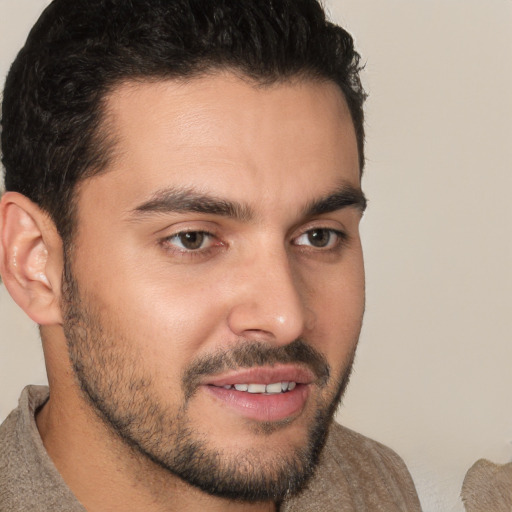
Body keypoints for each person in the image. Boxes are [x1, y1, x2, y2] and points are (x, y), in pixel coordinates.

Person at [0, 0, 422, 510]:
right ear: (35, 263)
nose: (285, 317)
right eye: (193, 239)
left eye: (318, 236)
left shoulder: (377, 485)